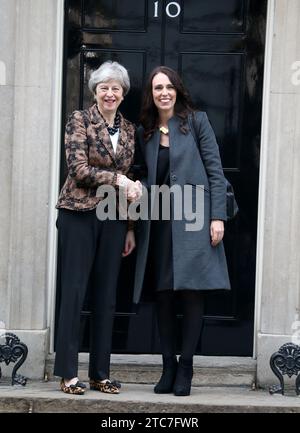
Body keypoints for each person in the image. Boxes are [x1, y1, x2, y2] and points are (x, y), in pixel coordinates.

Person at [133, 66, 231, 396]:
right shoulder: (144, 130)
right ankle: (168, 365)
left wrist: (217, 217)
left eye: (169, 86)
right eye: (158, 87)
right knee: (162, 294)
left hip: (195, 221)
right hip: (158, 223)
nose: (164, 92)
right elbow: (142, 177)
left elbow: (216, 173)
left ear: (178, 90)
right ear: (151, 93)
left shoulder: (197, 122)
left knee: (192, 292)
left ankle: (186, 365)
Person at [54, 61, 142, 395]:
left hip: (113, 218)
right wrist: (118, 179)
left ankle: (100, 374)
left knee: (106, 297)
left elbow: (130, 185)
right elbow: (78, 169)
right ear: (95, 91)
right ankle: (67, 373)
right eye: (103, 87)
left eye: (115, 87)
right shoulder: (79, 119)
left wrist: (131, 227)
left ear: (123, 93)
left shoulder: (130, 129)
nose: (109, 93)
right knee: (74, 291)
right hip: (78, 213)